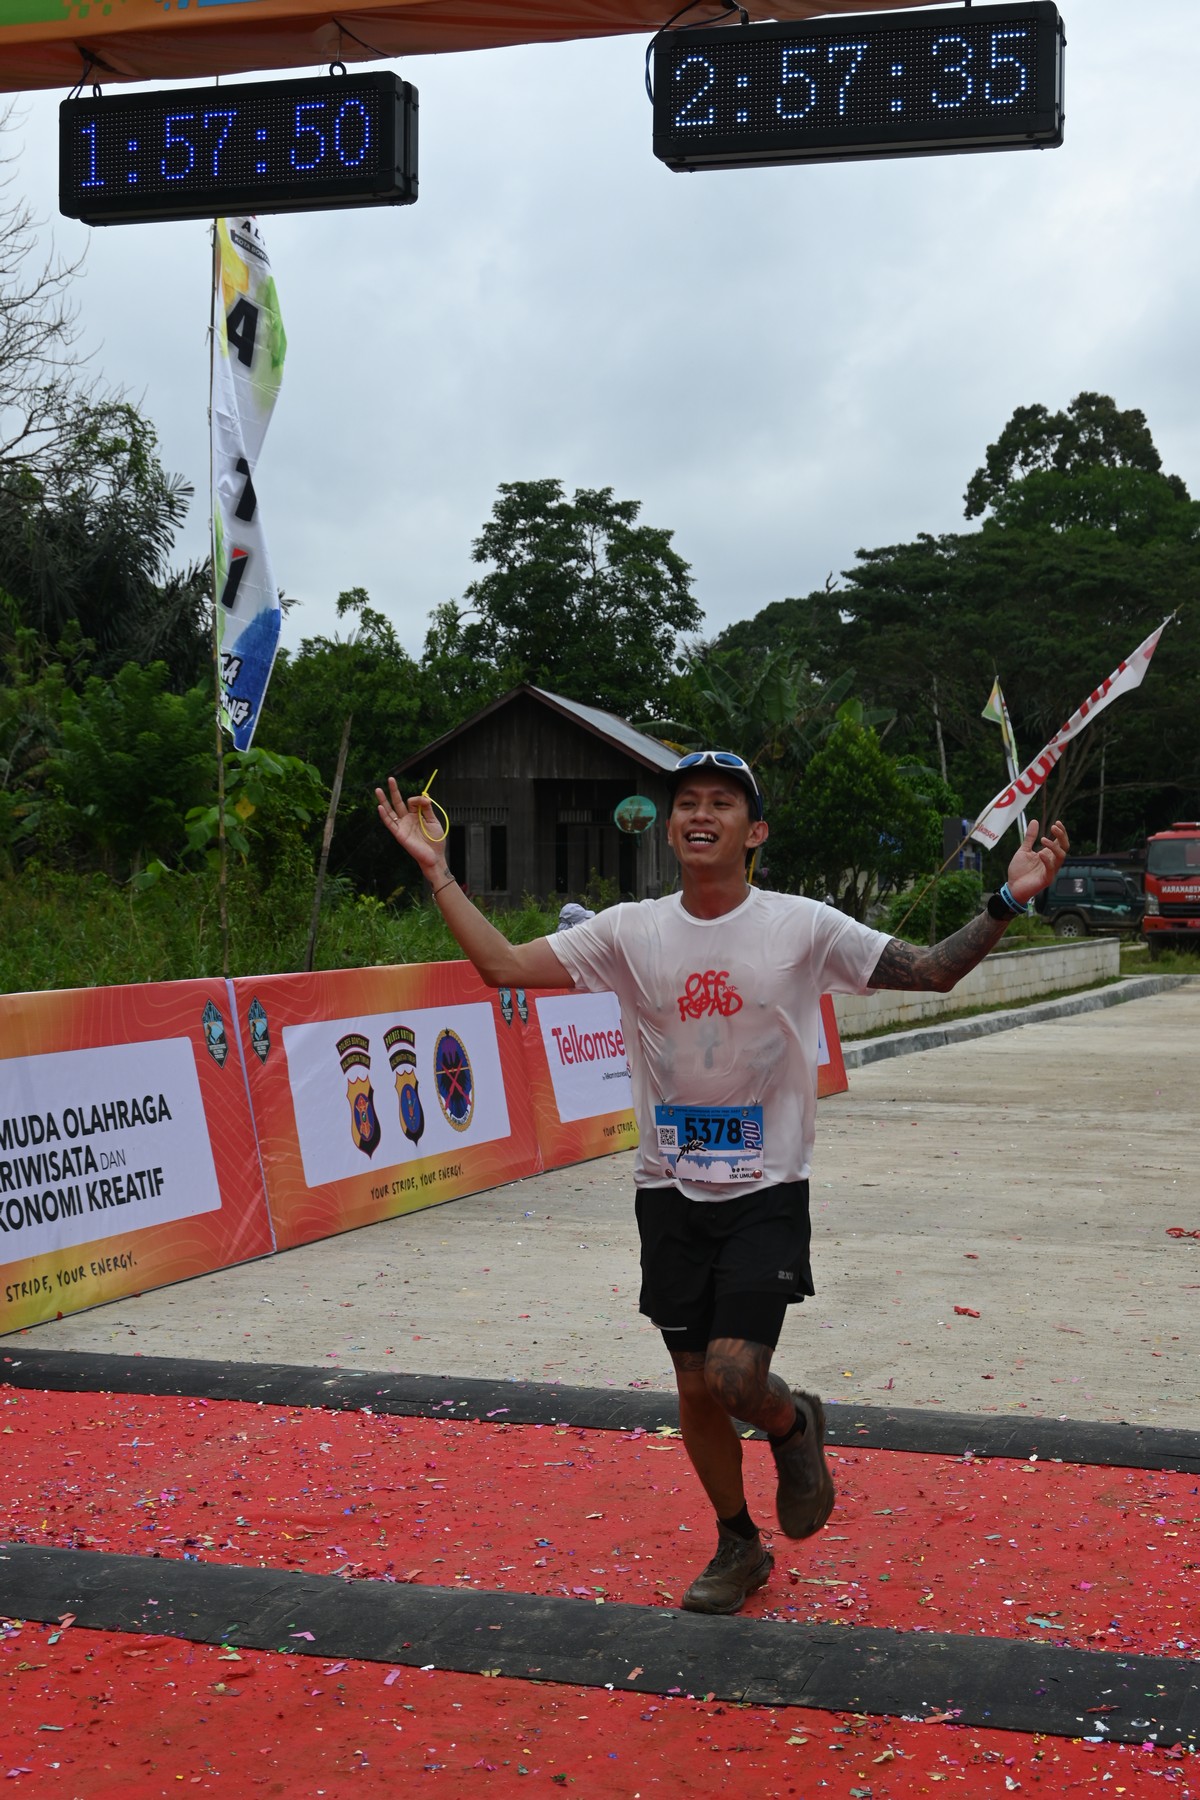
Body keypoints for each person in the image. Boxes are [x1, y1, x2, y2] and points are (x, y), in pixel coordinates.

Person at [376, 752, 1068, 1615]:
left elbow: (930, 969)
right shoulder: (629, 932)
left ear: (755, 831)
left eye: (722, 803)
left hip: (766, 1188)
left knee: (735, 1377)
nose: (700, 814)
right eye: (687, 803)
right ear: (670, 829)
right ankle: (738, 1541)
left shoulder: (802, 926)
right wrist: (438, 872)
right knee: (694, 1383)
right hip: (667, 1189)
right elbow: (504, 967)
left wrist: (1007, 900)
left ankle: (793, 1424)